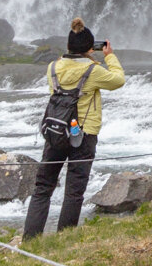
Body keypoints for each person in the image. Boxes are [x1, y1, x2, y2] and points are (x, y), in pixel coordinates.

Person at [23, 17, 125, 239]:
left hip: (55, 132)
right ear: (90, 48)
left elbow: (65, 74)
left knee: (42, 188)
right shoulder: (94, 70)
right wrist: (109, 56)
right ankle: (64, 239)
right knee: (74, 191)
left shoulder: (53, 68)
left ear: (68, 46)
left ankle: (30, 240)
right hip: (84, 134)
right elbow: (118, 80)